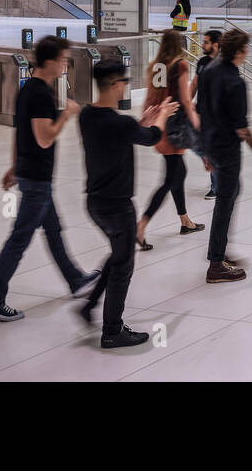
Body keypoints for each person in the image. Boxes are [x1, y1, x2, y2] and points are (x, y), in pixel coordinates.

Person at [0, 36, 98, 322]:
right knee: (19, 239)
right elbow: (44, 139)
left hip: (31, 173)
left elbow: (20, 133)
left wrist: (14, 166)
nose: (66, 65)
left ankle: (75, 279)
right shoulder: (42, 95)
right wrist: (66, 115)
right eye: (63, 59)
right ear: (49, 62)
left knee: (54, 230)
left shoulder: (27, 90)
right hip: (37, 178)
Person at [77, 61, 176, 347]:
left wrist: (143, 120)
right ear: (116, 84)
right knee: (123, 267)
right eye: (125, 81)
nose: (126, 85)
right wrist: (162, 117)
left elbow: (124, 135)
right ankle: (112, 331)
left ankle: (90, 305)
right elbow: (152, 138)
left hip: (95, 203)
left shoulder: (87, 115)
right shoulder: (119, 122)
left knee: (117, 255)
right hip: (118, 206)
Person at [195, 29, 252, 283]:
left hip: (212, 145)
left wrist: (204, 150)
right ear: (241, 51)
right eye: (247, 49)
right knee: (225, 201)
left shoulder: (208, 71)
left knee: (229, 195)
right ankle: (216, 263)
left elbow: (202, 112)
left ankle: (220, 252)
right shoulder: (236, 82)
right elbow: (241, 128)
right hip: (228, 150)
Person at [135, 31, 205, 250]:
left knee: (177, 173)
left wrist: (146, 121)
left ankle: (185, 220)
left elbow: (150, 97)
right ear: (180, 45)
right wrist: (196, 122)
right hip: (174, 127)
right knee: (169, 180)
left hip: (159, 124)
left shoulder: (155, 65)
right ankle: (141, 226)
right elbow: (185, 98)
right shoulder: (181, 65)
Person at [191, 29, 223, 200]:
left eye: (206, 42)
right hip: (200, 112)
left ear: (216, 45)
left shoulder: (224, 64)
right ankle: (217, 176)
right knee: (195, 144)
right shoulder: (202, 61)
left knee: (212, 149)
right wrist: (186, 104)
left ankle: (217, 187)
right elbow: (195, 82)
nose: (202, 45)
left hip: (216, 117)